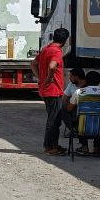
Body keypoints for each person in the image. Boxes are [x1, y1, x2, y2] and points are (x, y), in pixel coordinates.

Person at [33, 27, 69, 156]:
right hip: (53, 90)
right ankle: (49, 147)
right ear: (65, 40)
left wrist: (40, 77)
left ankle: (54, 145)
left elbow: (33, 64)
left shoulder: (46, 49)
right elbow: (52, 66)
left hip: (46, 89)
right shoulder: (57, 51)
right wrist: (48, 78)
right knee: (54, 120)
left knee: (55, 119)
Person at [63, 70, 100, 156]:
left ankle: (84, 146)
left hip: (83, 126)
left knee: (80, 118)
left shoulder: (80, 92)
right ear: (99, 81)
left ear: (86, 80)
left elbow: (69, 108)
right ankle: (97, 147)